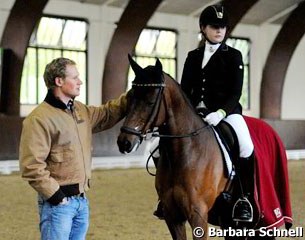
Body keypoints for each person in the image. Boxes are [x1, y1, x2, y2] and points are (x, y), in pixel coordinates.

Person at [154, 4, 254, 222]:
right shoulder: (193, 56)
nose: (219, 31)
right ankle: (165, 196)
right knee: (159, 145)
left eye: (223, 27)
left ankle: (244, 200)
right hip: (194, 114)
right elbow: (184, 91)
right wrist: (188, 113)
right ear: (203, 28)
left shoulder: (234, 56)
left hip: (226, 114)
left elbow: (236, 92)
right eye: (214, 26)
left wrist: (220, 112)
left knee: (247, 146)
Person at [19, 57, 127, 240]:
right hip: (58, 204)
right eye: (75, 77)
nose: (80, 81)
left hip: (81, 202)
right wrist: (57, 197)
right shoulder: (38, 119)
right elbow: (31, 166)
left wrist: (134, 94)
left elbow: (108, 113)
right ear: (59, 81)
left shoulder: (80, 110)